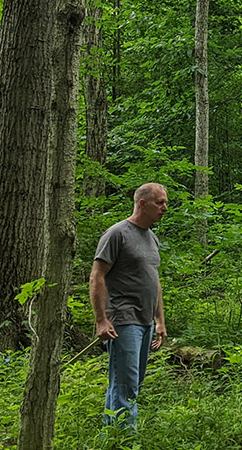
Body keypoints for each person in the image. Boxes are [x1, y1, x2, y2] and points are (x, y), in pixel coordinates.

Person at [90, 182, 170, 432]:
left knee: (129, 385)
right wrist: (101, 319)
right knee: (125, 385)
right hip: (123, 321)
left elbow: (154, 282)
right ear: (142, 204)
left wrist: (160, 321)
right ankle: (126, 440)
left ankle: (111, 437)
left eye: (166, 202)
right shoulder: (117, 234)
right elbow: (97, 276)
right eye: (160, 203)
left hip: (145, 322)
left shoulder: (152, 238)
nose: (165, 208)